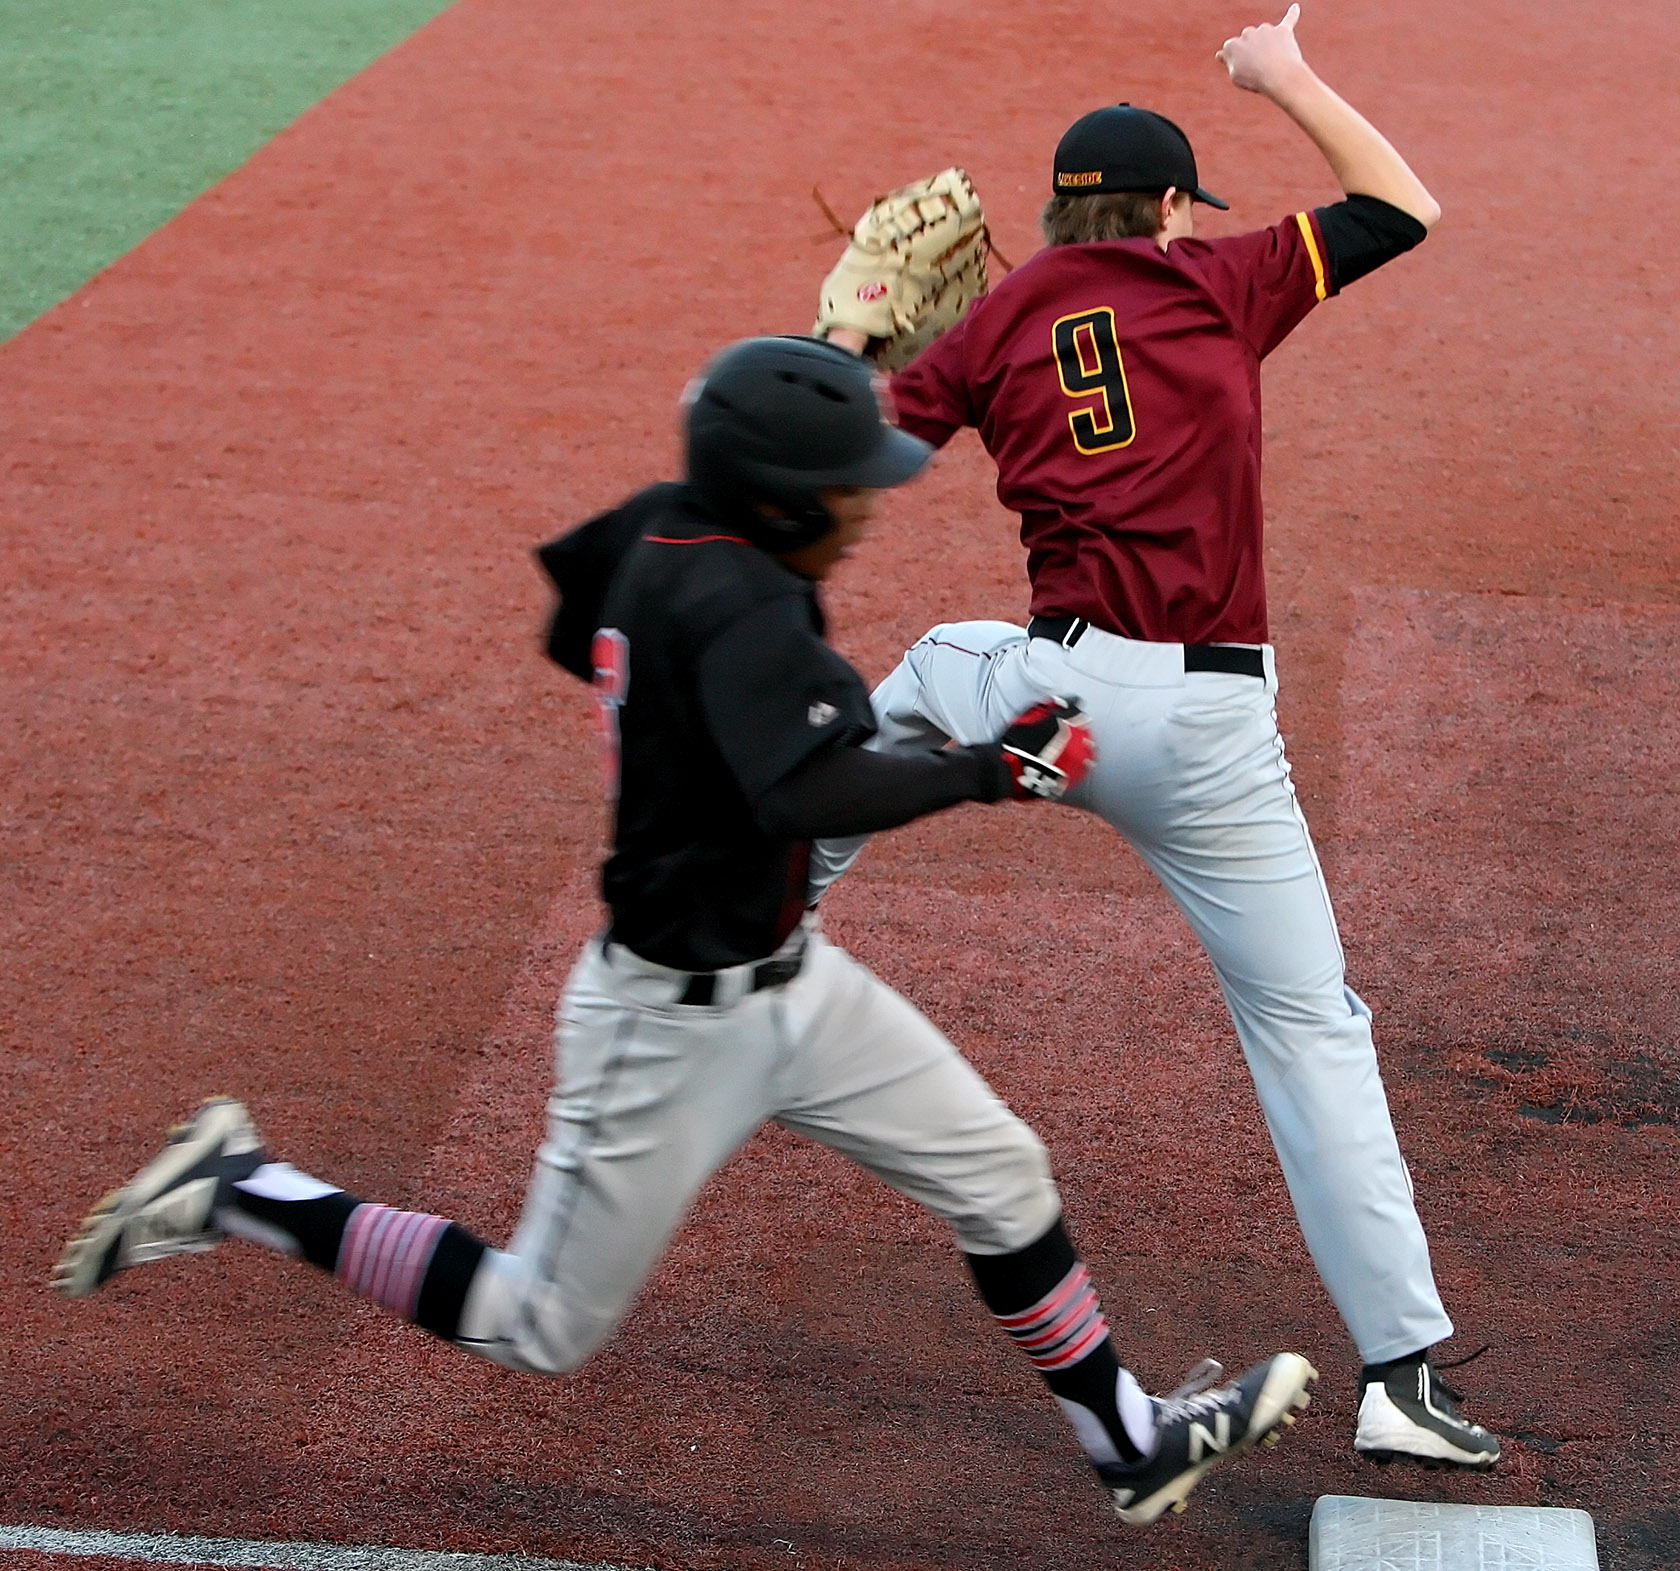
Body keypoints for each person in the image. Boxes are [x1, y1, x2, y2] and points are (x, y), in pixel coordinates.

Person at [55, 336, 1317, 1527]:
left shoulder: (657, 530)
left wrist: (682, 713)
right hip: (661, 1022)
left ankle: (1128, 1442)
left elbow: (576, 623)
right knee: (540, 1322)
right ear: (776, 503)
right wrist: (994, 768)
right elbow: (806, 790)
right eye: (844, 489)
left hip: (794, 987)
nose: (867, 508)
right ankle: (240, 1186)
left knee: (1001, 1174)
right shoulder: (748, 604)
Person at [814, 8, 1500, 1467]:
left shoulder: (1003, 315)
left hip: (1057, 712)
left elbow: (855, 456)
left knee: (938, 664)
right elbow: (1405, 208)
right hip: (1214, 736)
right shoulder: (1226, 275)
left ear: (1062, 209)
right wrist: (1285, 74)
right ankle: (1405, 1377)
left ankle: (774, 898)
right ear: (1178, 205)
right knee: (1311, 1030)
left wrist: (854, 337)